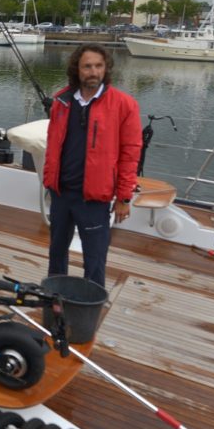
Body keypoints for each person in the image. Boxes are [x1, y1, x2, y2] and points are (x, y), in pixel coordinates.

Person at [42, 44, 142, 287]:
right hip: (61, 193)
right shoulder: (61, 101)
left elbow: (130, 154)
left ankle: (91, 304)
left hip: (95, 199)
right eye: (87, 66)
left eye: (98, 66)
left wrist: (124, 197)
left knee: (95, 259)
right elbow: (53, 144)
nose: (93, 72)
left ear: (106, 69)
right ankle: (55, 297)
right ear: (77, 69)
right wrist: (49, 180)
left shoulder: (124, 105)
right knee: (56, 254)